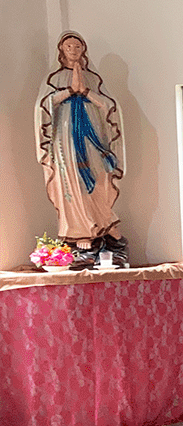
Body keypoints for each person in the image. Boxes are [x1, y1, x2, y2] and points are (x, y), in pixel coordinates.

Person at [35, 31, 126, 257]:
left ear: (83, 50)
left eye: (77, 46)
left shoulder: (93, 78)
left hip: (91, 135)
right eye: (69, 47)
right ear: (61, 50)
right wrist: (68, 92)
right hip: (64, 138)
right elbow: (43, 107)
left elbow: (109, 106)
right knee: (71, 180)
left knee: (99, 177)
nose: (73, 50)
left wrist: (85, 91)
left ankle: (104, 221)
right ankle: (79, 231)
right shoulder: (53, 79)